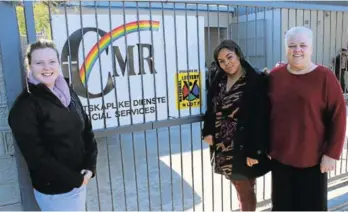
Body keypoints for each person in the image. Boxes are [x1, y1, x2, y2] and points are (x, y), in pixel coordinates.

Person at [8, 39, 98, 211]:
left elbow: (87, 130)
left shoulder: (68, 92)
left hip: (79, 182)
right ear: (30, 67)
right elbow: (37, 157)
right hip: (55, 192)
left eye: (51, 61)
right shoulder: (25, 107)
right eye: (39, 62)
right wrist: (75, 180)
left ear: (58, 63)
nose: (46, 67)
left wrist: (90, 167)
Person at [268, 26, 346, 211]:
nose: (297, 50)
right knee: (282, 207)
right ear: (286, 48)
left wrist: (332, 154)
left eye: (303, 45)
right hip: (280, 160)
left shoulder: (325, 77)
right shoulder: (275, 76)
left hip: (314, 160)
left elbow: (338, 116)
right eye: (292, 45)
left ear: (311, 48)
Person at [202, 40, 271, 211]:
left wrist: (254, 150)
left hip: (244, 145)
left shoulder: (254, 80)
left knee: (244, 189)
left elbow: (260, 118)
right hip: (223, 145)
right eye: (221, 61)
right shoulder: (218, 79)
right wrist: (208, 131)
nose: (227, 63)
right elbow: (211, 108)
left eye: (229, 57)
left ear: (238, 54)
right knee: (245, 186)